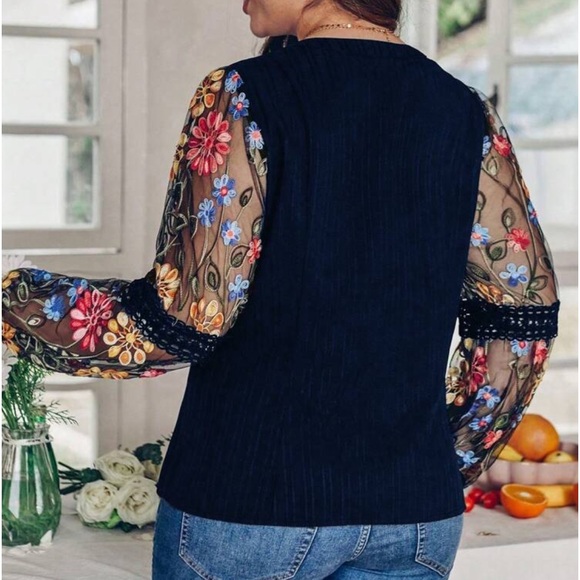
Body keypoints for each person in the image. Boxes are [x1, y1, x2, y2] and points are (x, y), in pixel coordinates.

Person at [2, 0, 560, 578]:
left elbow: (183, 319)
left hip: (247, 505)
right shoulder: (466, 111)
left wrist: (13, 299)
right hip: (414, 516)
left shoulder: (242, 94)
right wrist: (443, 461)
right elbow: (524, 316)